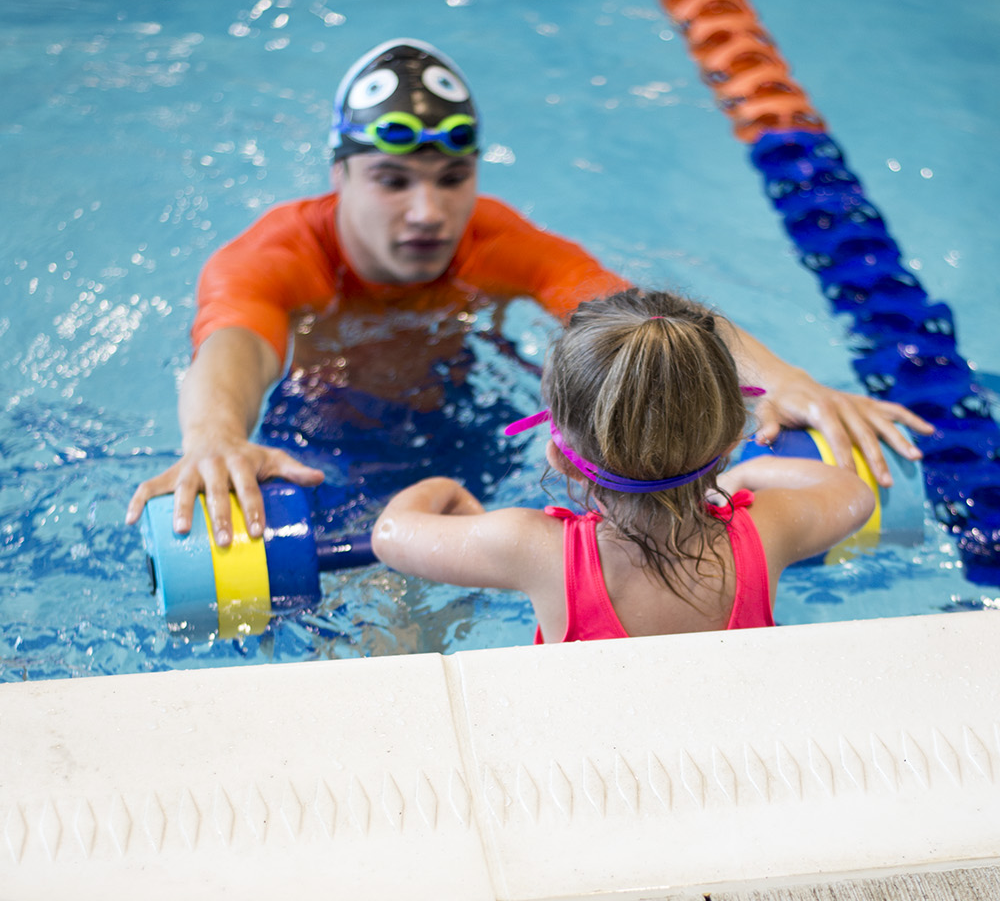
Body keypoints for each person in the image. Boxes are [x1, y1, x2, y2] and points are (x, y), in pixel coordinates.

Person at [125, 38, 929, 548]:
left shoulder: (496, 242)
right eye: (391, 180)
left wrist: (783, 379)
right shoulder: (276, 256)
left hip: (468, 423)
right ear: (339, 177)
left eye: (452, 179)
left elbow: (647, 318)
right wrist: (214, 436)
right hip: (315, 440)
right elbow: (228, 346)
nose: (428, 211)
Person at [370, 289, 876, 642]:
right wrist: (743, 477)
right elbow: (853, 494)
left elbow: (390, 535)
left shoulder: (530, 549)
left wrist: (441, 489)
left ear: (560, 458)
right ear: (729, 444)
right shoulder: (767, 530)